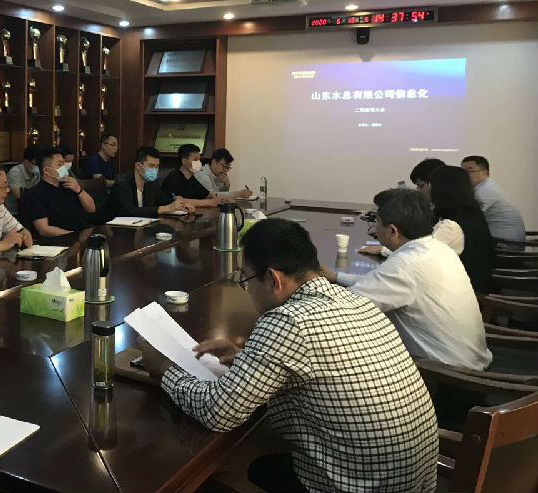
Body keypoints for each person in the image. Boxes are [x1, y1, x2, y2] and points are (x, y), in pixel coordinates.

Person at [139, 218, 438, 493]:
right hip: (413, 482)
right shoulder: (354, 300)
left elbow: (218, 412)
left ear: (273, 279)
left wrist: (165, 369)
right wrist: (245, 357)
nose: (247, 290)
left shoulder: (289, 320)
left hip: (361, 486)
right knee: (265, 467)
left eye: (246, 280)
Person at [321, 189, 492, 370]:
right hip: (468, 359)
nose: (374, 227)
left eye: (377, 221)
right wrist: (336, 277)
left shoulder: (407, 264)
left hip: (447, 374)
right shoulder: (435, 248)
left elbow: (342, 309)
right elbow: (376, 283)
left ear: (392, 230)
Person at [26, 146, 96, 237]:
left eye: (63, 164)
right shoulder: (35, 193)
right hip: (63, 239)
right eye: (60, 165)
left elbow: (91, 209)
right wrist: (73, 236)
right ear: (46, 170)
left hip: (84, 234)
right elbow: (44, 229)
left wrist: (79, 190)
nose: (64, 168)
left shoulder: (70, 185)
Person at [105, 146, 192, 218]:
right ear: (138, 166)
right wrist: (164, 208)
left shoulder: (151, 183)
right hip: (119, 230)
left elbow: (165, 201)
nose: (155, 170)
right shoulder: (122, 183)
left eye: (157, 166)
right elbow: (128, 211)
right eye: (151, 166)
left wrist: (182, 205)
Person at [460, 155, 526, 242]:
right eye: (462, 172)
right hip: (500, 240)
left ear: (484, 172)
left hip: (506, 244)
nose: (464, 175)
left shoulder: (486, 190)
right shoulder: (485, 186)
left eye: (469, 171)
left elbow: (467, 217)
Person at [160, 144, 227, 207]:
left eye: (199, 159)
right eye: (195, 160)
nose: (199, 162)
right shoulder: (174, 178)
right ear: (184, 161)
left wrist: (223, 199)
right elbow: (179, 200)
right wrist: (208, 202)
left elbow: (208, 195)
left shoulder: (192, 178)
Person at [5, 144, 41, 215]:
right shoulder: (15, 172)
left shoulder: (38, 173)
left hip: (32, 209)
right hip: (14, 213)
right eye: (36, 164)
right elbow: (20, 196)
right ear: (26, 162)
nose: (39, 167)